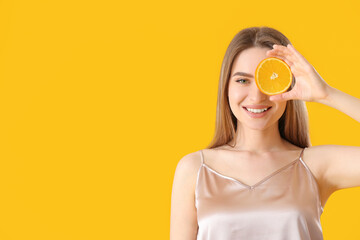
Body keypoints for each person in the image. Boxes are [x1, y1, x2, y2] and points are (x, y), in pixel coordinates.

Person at [170, 26, 360, 240]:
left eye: (270, 79)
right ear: (226, 87)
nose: (256, 96)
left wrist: (326, 94)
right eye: (243, 80)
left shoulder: (315, 166)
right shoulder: (194, 169)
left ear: (288, 86)